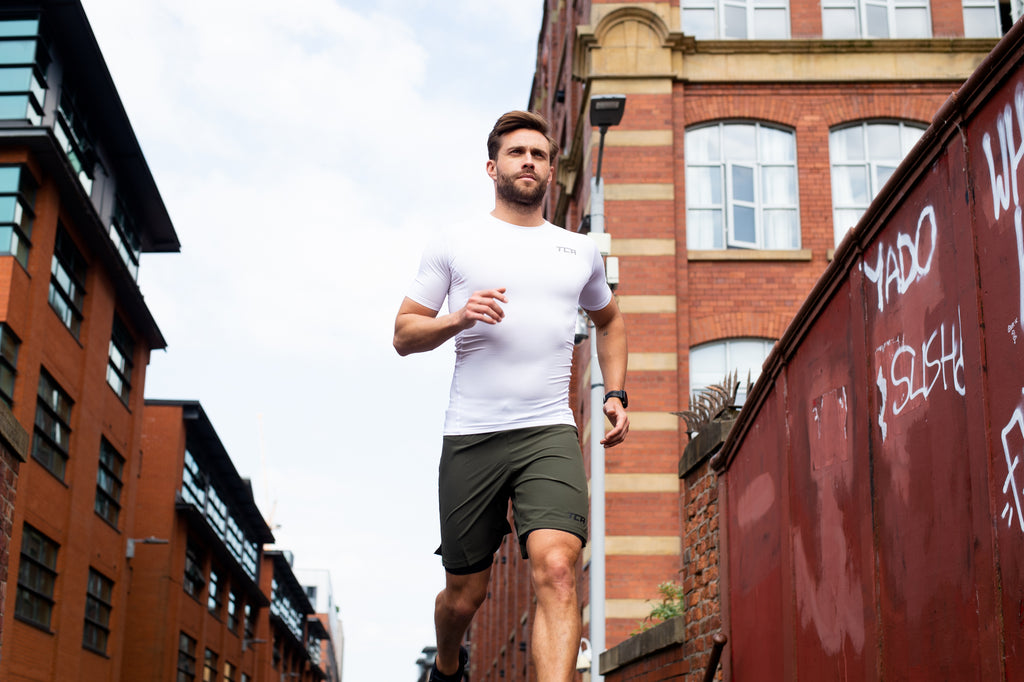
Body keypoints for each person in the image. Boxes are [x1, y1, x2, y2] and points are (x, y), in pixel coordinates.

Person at [393, 110, 629, 682]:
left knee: (557, 568)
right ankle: (449, 663)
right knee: (464, 595)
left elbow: (610, 320)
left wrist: (616, 391)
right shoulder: (456, 243)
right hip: (471, 434)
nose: (529, 161)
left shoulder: (579, 251)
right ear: (493, 166)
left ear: (551, 170)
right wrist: (457, 317)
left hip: (548, 430)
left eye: (540, 155)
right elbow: (403, 334)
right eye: (518, 152)